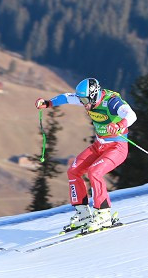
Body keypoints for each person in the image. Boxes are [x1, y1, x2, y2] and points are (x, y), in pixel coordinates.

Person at [36, 78, 136, 231]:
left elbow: (131, 115)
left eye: (84, 100)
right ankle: (83, 214)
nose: (83, 103)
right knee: (73, 171)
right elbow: (67, 98)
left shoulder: (111, 101)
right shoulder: (87, 99)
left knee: (94, 172)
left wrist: (119, 125)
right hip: (99, 145)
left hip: (117, 147)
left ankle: (103, 214)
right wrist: (48, 103)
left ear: (94, 95)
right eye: (81, 100)